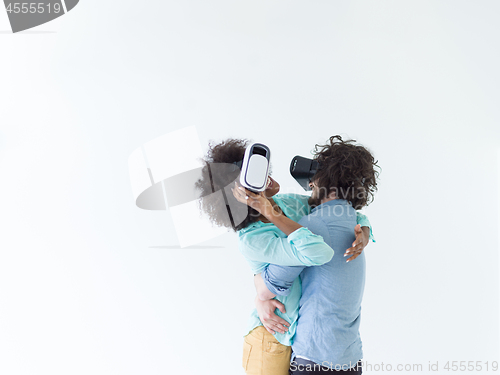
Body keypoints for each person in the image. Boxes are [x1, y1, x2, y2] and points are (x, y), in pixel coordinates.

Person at [195, 138, 373, 375]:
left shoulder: (288, 205)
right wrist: (260, 295)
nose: (271, 179)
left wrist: (366, 230)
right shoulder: (253, 238)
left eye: (266, 172)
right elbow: (310, 253)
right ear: (241, 194)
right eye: (259, 179)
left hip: (301, 338)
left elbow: (337, 210)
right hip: (270, 335)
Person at [253, 135, 379, 374]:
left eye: (314, 178)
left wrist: (259, 299)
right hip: (350, 360)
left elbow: (267, 288)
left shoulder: (314, 225)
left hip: (315, 360)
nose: (310, 184)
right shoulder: (353, 223)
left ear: (325, 179)